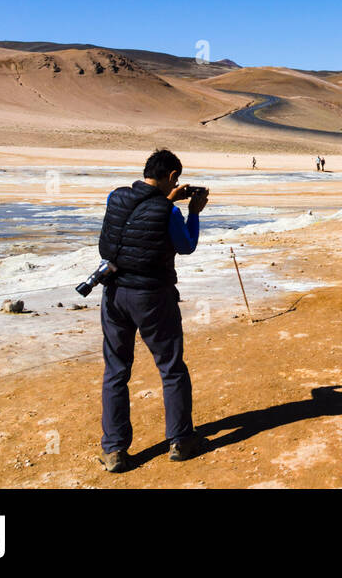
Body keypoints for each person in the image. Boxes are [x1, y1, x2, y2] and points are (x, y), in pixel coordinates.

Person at [96, 149, 209, 472]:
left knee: (116, 371)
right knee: (171, 367)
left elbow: (137, 213)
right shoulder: (168, 212)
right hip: (153, 297)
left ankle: (115, 450)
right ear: (172, 176)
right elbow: (185, 245)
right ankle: (181, 440)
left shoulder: (115, 197)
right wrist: (194, 212)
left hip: (114, 293)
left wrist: (167, 199)